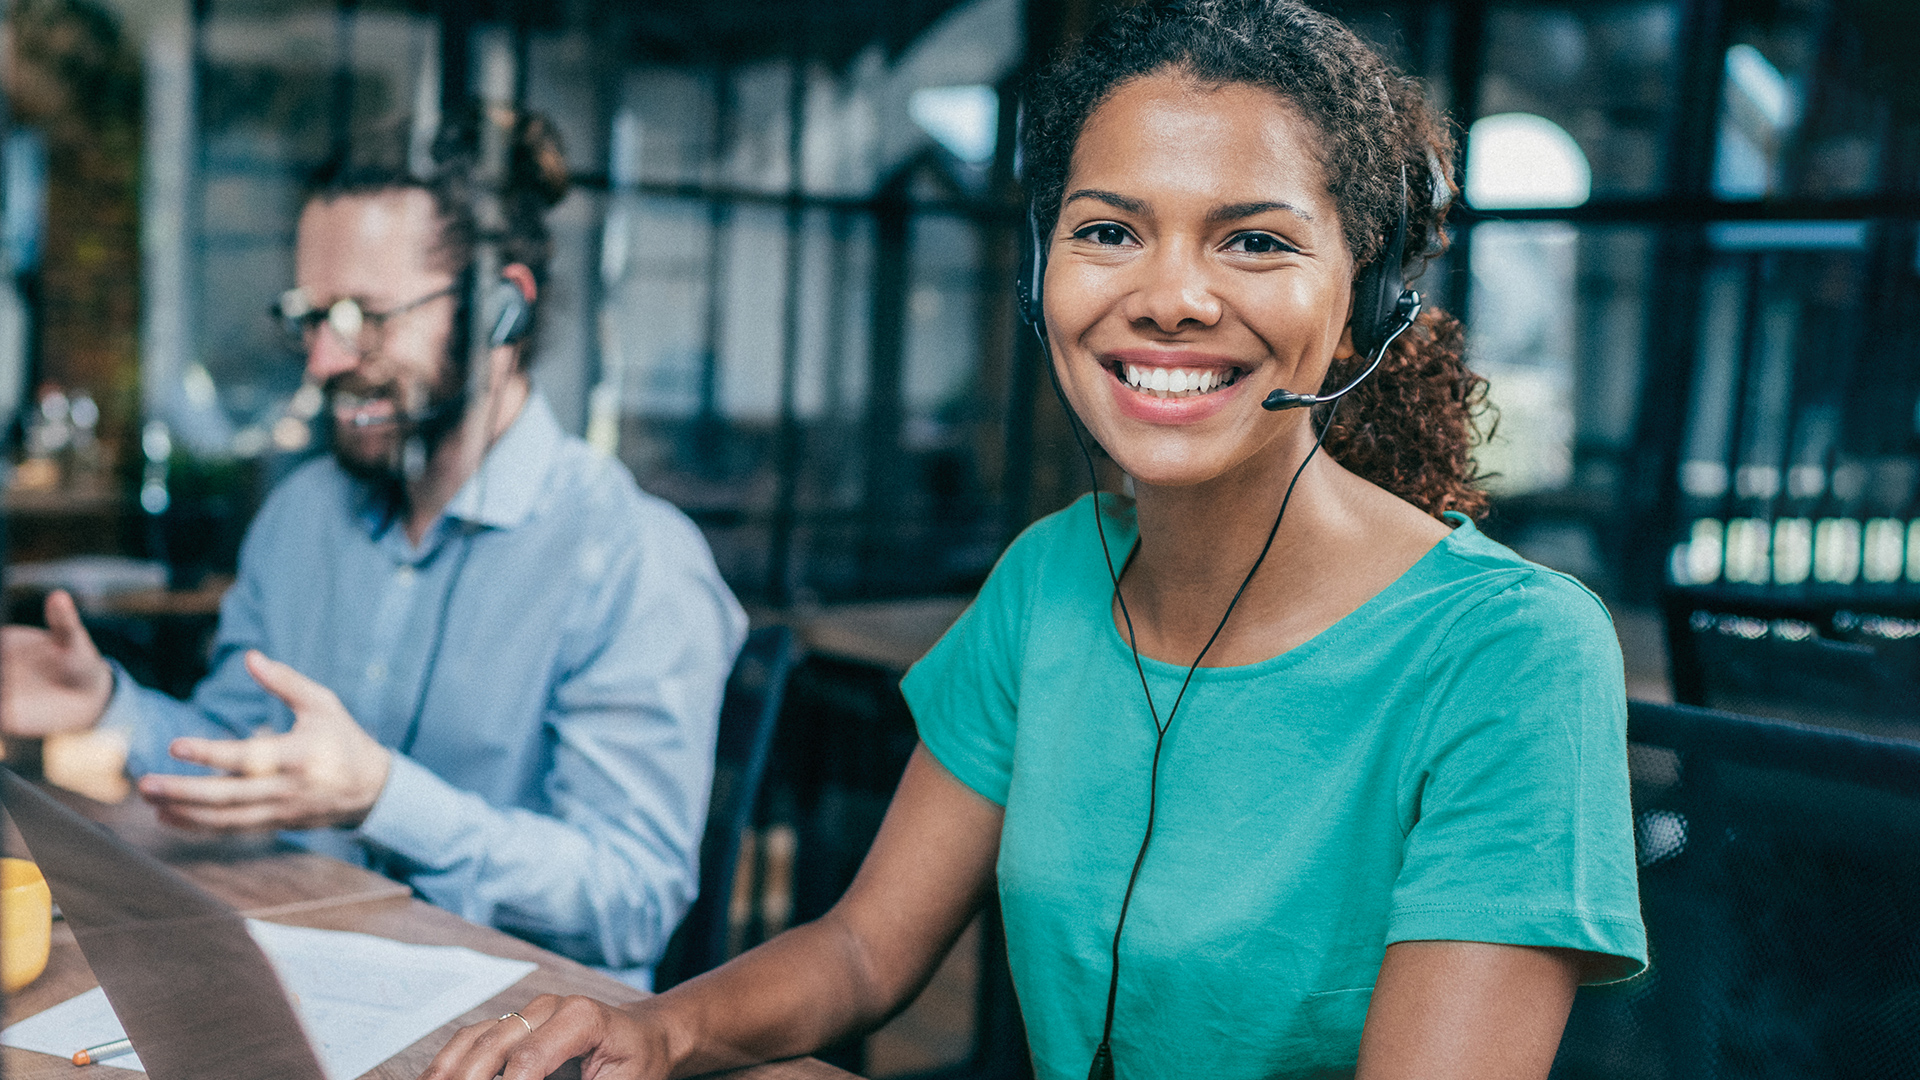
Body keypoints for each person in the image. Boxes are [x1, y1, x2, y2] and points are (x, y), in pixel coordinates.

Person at [419, 1, 1645, 1076]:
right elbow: (859, 949)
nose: (1168, 296)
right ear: (1039, 275)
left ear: (1362, 307)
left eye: (1255, 239)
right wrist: (657, 1032)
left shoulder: (1513, 656)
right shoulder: (1052, 577)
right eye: (1109, 230)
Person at [0, 105, 747, 983]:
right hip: (300, 986)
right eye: (311, 317)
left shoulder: (634, 558)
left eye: (364, 316)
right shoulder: (301, 517)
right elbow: (243, 761)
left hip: (526, 1033)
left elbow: (630, 900)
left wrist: (384, 798)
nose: (322, 361)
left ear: (504, 308)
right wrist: (106, 705)